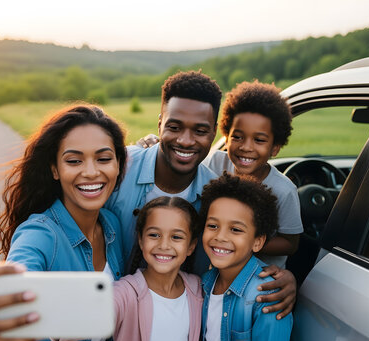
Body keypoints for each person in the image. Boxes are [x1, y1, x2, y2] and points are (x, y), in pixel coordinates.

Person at [105, 71, 297, 318]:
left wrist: (285, 278)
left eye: (200, 131)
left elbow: (231, 249)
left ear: (215, 132)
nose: (185, 141)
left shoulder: (215, 194)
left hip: (181, 319)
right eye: (174, 127)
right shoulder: (118, 168)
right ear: (160, 123)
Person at [0, 103, 127, 341]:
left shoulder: (113, 226)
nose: (91, 171)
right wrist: (5, 312)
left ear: (118, 165)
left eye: (104, 158)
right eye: (74, 161)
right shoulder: (39, 234)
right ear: (55, 169)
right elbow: (18, 282)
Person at [55, 196, 203, 341]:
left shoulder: (196, 289)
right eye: (154, 235)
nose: (164, 245)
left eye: (176, 237)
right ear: (140, 240)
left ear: (191, 246)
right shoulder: (126, 293)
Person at [203, 80, 303, 269]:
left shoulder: (284, 190)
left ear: (275, 147)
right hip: (216, 272)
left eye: (259, 140)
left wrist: (245, 243)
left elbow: (290, 243)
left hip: (259, 280)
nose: (246, 147)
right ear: (226, 136)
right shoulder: (214, 163)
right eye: (237, 137)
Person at [199, 173, 293, 341]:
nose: (221, 236)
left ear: (257, 242)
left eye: (236, 229)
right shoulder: (204, 283)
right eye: (213, 226)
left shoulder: (269, 297)